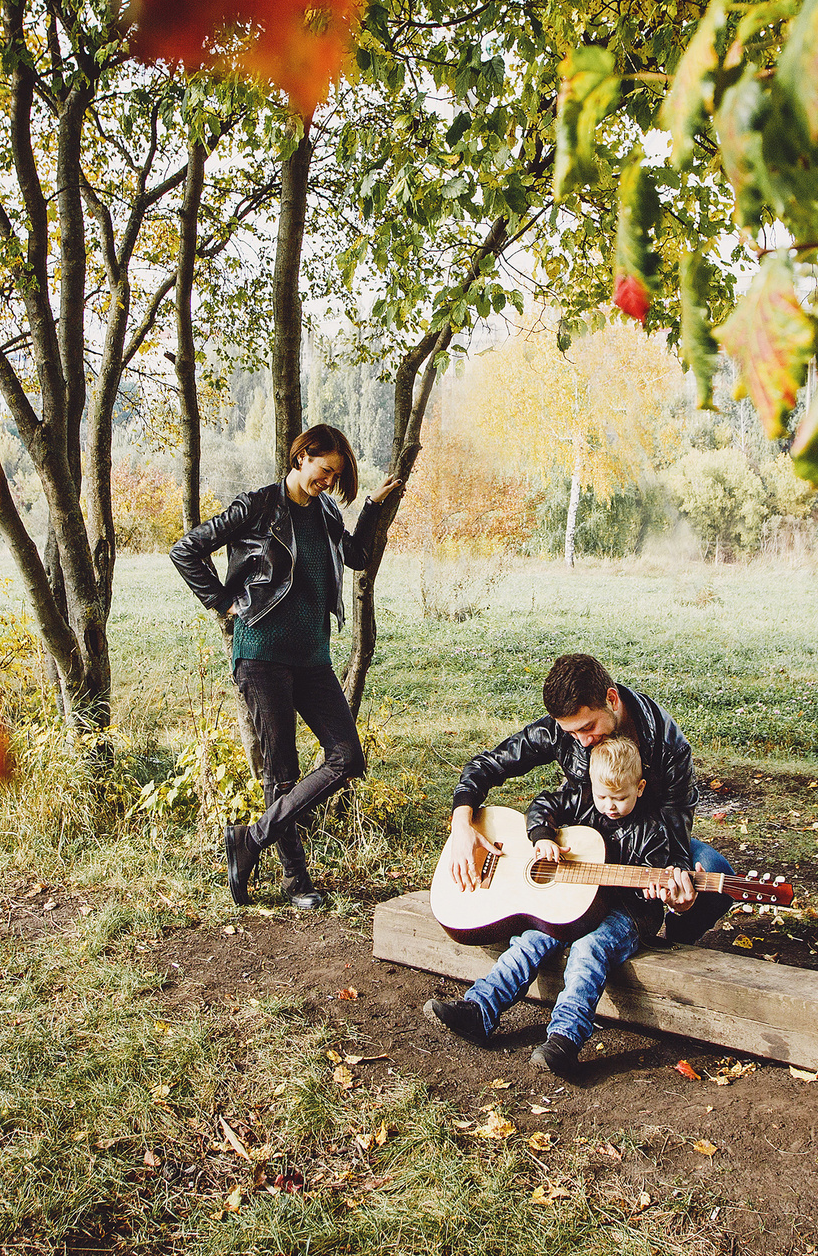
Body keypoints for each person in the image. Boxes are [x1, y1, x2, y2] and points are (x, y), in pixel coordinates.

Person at [169, 423, 401, 910]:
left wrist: (376, 507)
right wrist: (225, 604)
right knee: (282, 772)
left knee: (347, 757)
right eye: (324, 468)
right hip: (262, 654)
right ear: (301, 456)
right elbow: (187, 549)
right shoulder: (258, 506)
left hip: (312, 658)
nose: (327, 479)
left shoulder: (326, 512)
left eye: (335, 474)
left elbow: (356, 557)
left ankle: (250, 839)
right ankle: (296, 881)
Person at [422, 737, 696, 1078]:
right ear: (591, 785)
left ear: (639, 788)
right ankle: (480, 1010)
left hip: (627, 912)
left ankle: (565, 1040)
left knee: (589, 949)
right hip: (572, 897)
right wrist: (544, 838)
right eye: (603, 796)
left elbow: (659, 882)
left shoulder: (652, 831)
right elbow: (542, 805)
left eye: (621, 798)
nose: (610, 806)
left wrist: (662, 892)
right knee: (532, 940)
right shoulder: (581, 798)